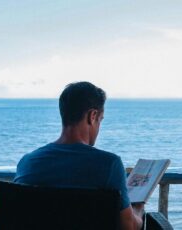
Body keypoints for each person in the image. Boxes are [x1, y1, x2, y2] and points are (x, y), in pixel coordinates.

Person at [14, 81, 144, 230]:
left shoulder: (27, 163)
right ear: (92, 116)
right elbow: (128, 228)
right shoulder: (109, 164)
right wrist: (138, 210)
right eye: (100, 120)